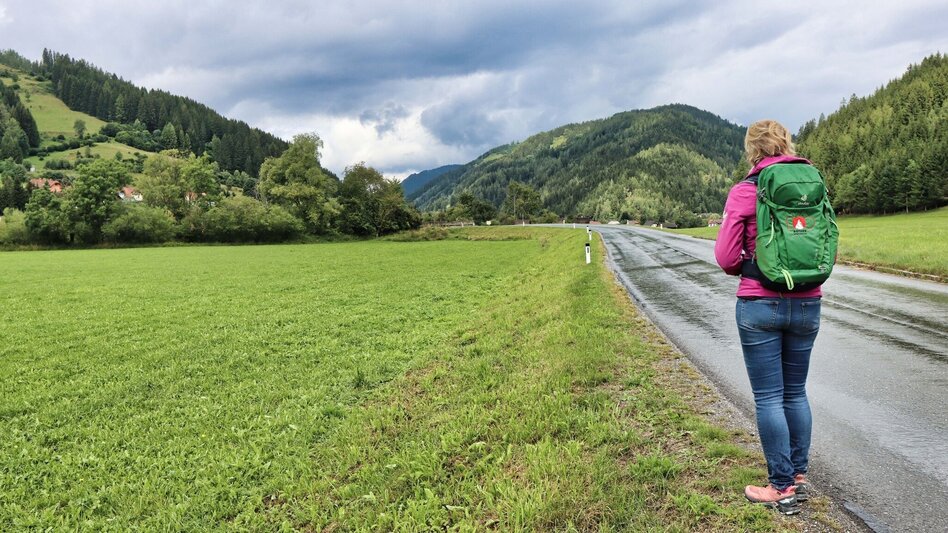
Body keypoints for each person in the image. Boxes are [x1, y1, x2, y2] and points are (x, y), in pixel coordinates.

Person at [714, 119, 822, 515]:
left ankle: (780, 487)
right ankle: (798, 477)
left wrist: (748, 262)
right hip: (809, 301)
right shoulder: (811, 183)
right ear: (786, 143)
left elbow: (726, 257)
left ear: (752, 150)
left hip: (760, 301)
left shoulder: (746, 190)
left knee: (769, 397)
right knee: (796, 392)